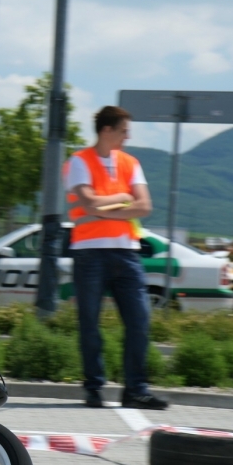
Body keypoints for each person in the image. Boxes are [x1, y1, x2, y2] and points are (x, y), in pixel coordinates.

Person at [66, 106, 168, 410]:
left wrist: (105, 207)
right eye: (124, 130)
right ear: (106, 130)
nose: (128, 136)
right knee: (89, 324)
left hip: (127, 253)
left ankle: (135, 390)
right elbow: (88, 203)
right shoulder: (79, 161)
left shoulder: (130, 163)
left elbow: (145, 206)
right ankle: (94, 388)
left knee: (140, 321)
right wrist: (124, 198)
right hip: (89, 252)